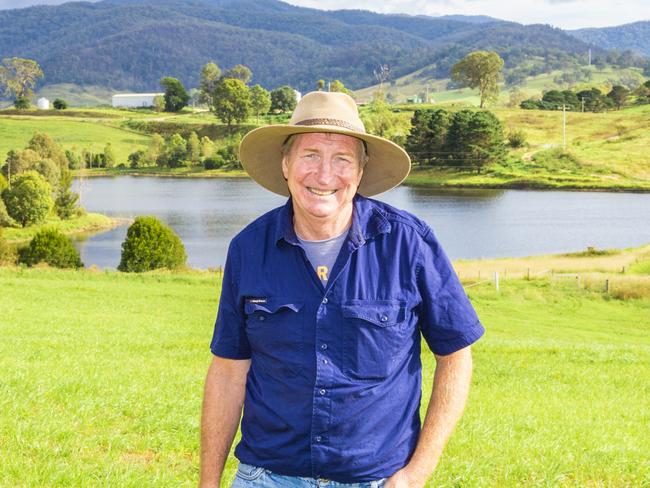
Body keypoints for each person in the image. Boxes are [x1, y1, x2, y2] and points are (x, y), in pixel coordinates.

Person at [200, 91, 484, 488]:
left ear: (361, 170)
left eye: (342, 159)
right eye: (310, 155)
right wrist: (208, 482)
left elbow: (456, 356)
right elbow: (229, 371)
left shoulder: (410, 244)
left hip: (376, 481)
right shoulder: (248, 249)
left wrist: (416, 474)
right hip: (266, 477)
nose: (324, 175)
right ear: (286, 165)